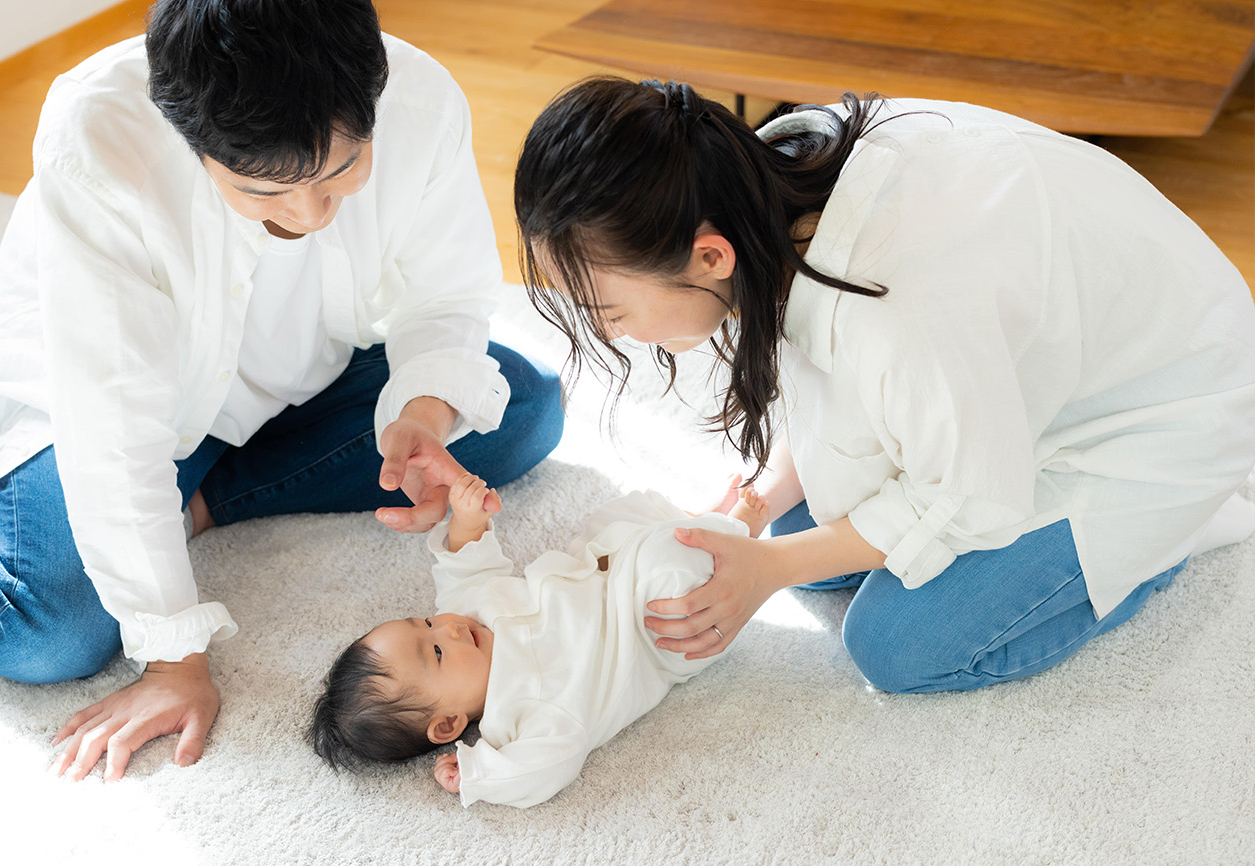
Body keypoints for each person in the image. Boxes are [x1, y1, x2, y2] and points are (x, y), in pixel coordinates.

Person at [0, 0, 562, 781]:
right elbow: (113, 427)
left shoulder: (421, 99)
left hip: (290, 384)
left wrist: (422, 414)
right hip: (98, 410)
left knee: (525, 410)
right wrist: (172, 660)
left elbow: (443, 300)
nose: (311, 214)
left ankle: (193, 503)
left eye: (341, 171)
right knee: (47, 637)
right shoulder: (99, 140)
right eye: (266, 192)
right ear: (193, 141)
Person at [510, 77, 1255, 693]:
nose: (609, 332)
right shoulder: (745, 178)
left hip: (1163, 410)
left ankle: (1166, 542)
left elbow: (970, 496)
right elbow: (835, 380)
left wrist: (767, 567)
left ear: (710, 257)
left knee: (897, 647)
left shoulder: (899, 305)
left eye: (607, 309)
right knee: (802, 537)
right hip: (1037, 356)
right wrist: (756, 508)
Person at [308, 473, 769, 808]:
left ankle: (704, 522)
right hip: (656, 633)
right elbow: (545, 767)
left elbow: (463, 566)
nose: (444, 628)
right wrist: (479, 775)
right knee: (670, 570)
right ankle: (737, 535)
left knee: (620, 515)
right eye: (435, 651)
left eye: (423, 621)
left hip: (605, 566)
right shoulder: (523, 713)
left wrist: (467, 520)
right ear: (448, 725)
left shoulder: (466, 614)